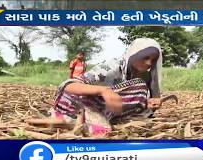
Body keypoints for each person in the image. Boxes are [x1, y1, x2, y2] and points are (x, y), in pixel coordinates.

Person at [26, 38, 163, 137]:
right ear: (134, 54)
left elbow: (131, 102)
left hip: (104, 110)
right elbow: (67, 86)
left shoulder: (141, 77)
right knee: (103, 131)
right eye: (145, 57)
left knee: (140, 91)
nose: (149, 63)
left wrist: (148, 102)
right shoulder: (113, 67)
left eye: (153, 60)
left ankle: (68, 121)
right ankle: (74, 119)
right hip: (79, 102)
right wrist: (103, 90)